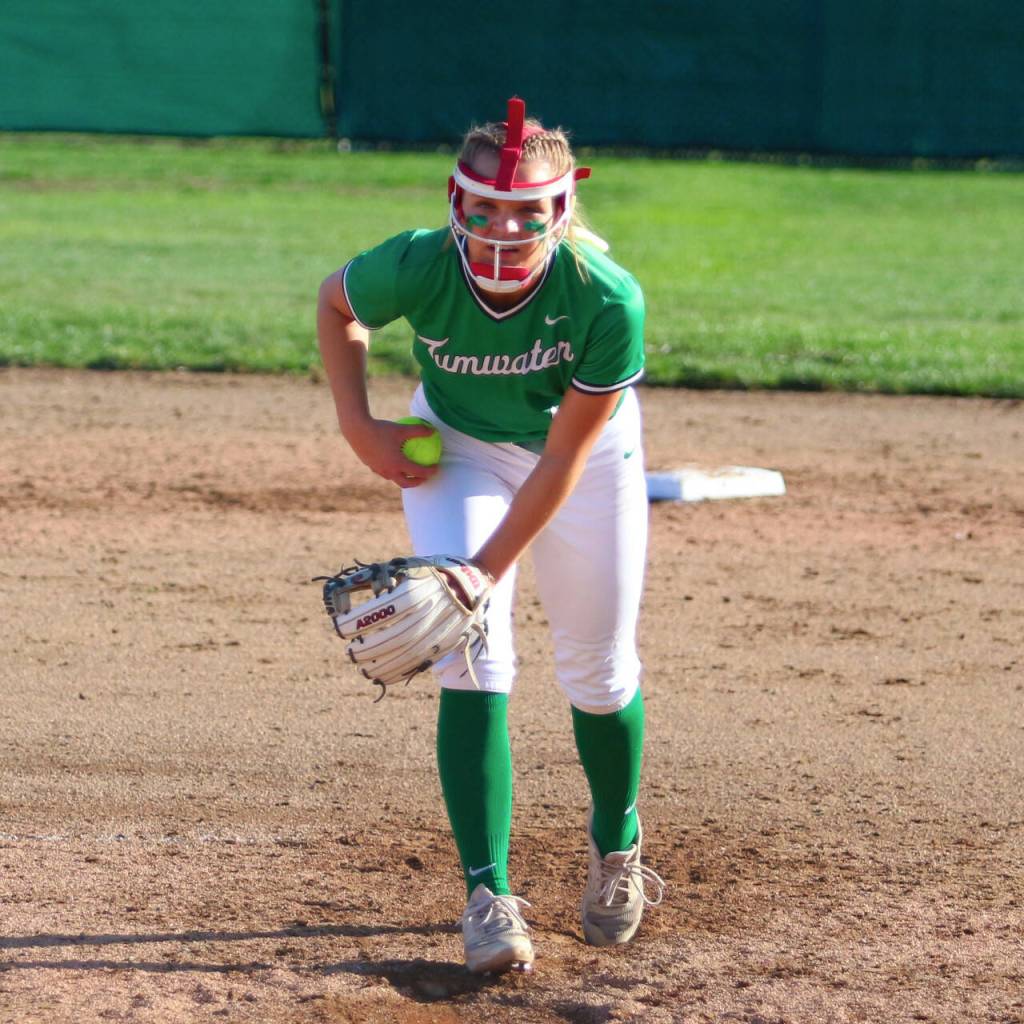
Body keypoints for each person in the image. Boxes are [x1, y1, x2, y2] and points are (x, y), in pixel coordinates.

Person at [317, 97, 664, 974]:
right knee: (469, 657)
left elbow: (563, 461)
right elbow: (337, 304)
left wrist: (483, 571)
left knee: (598, 669)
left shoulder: (606, 297)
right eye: (486, 207)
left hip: (584, 459)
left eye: (527, 210)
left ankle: (616, 845)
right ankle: (488, 896)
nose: (505, 227)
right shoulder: (419, 263)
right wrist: (360, 427)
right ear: (456, 200)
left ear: (563, 207)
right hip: (460, 447)